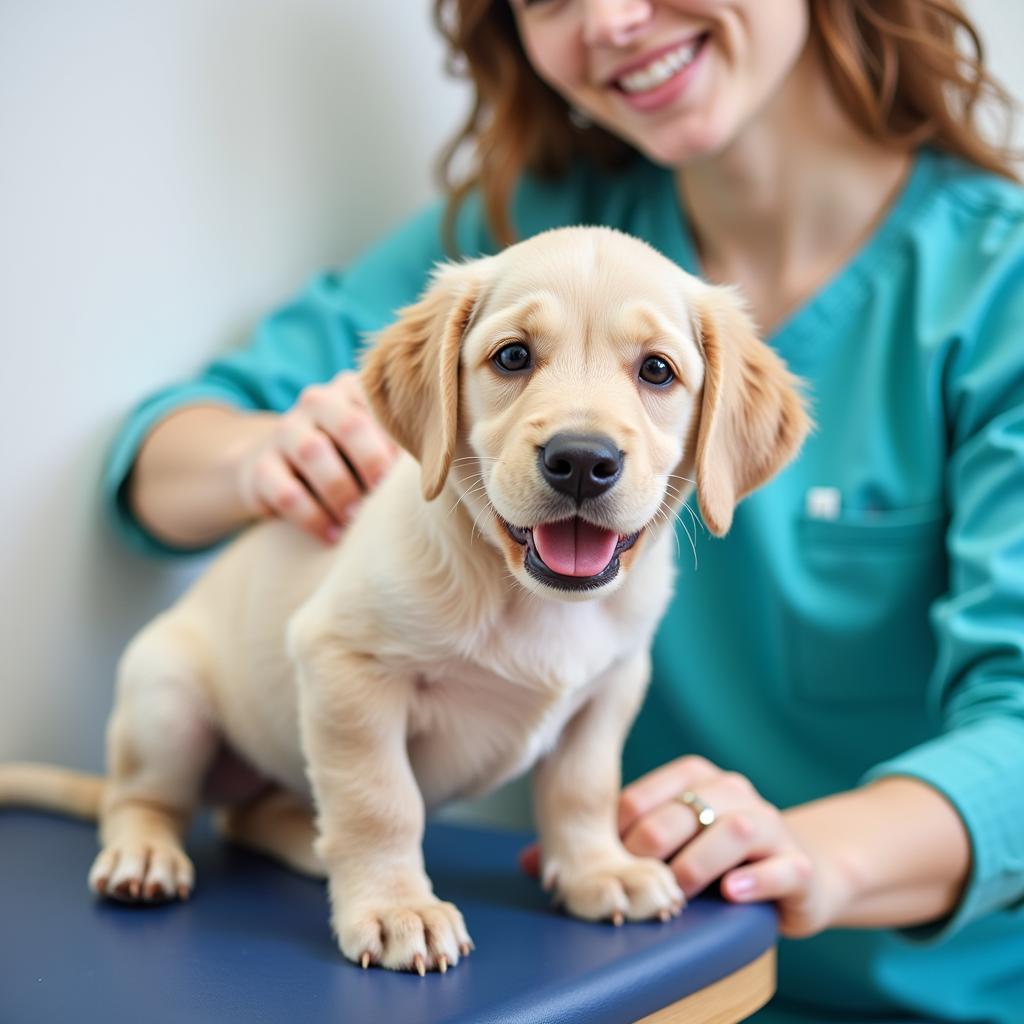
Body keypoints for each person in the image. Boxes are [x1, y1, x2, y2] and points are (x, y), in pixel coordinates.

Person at [103, 1, 1024, 1021]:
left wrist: (812, 853)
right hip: (588, 978)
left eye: (655, 372)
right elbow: (156, 453)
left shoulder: (997, 284)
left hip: (900, 991)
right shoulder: (517, 224)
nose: (615, 17)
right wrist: (260, 454)